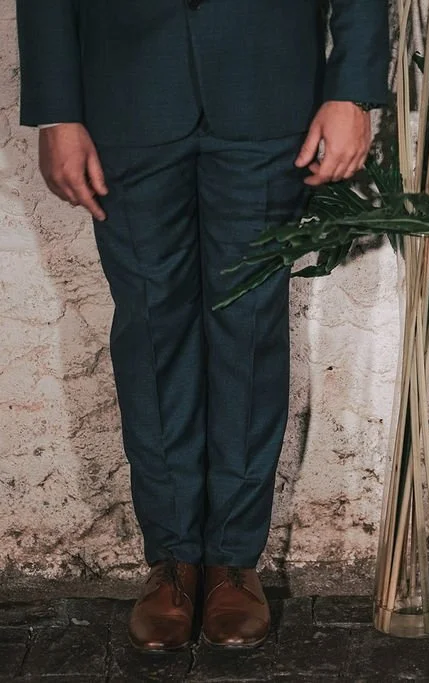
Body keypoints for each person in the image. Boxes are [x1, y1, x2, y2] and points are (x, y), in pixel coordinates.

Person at [16, 0, 388, 651]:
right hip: (123, 92)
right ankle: (173, 562)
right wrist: (57, 107)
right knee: (152, 333)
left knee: (249, 327)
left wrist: (353, 87)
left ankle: (234, 563)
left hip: (270, 88)